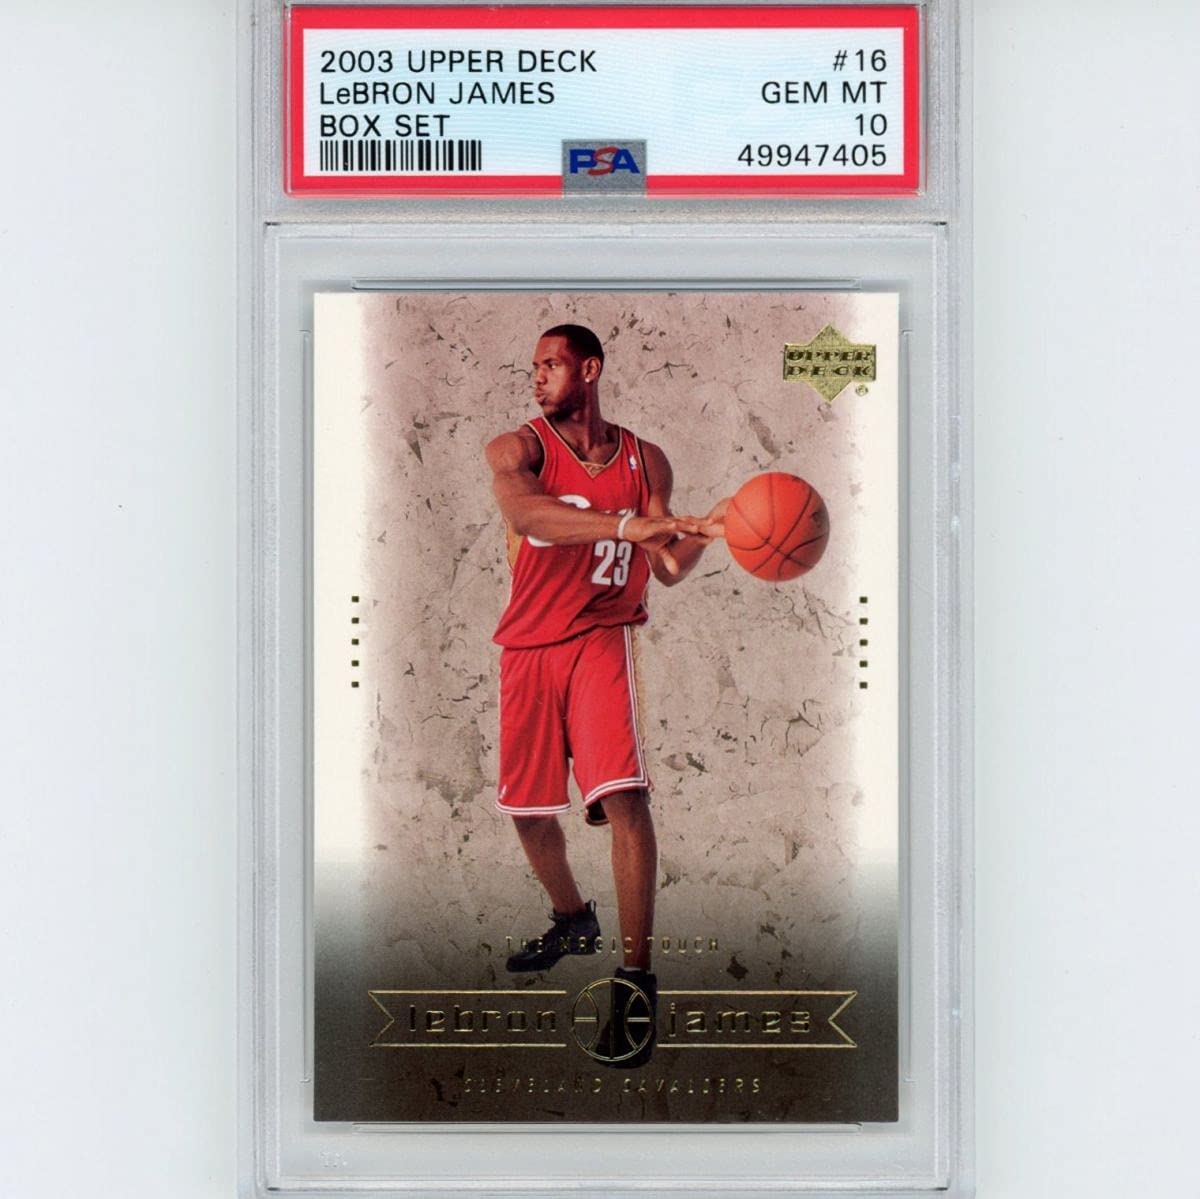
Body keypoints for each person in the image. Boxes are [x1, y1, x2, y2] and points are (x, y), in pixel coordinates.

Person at [486, 323, 728, 1066]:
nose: (537, 377)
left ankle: (635, 985)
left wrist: (714, 528)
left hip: (601, 636)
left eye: (551, 365)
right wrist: (626, 524)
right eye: (533, 367)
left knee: (626, 798)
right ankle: (572, 918)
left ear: (589, 369)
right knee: (530, 813)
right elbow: (527, 516)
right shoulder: (519, 449)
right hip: (529, 646)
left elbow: (667, 566)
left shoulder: (644, 458)